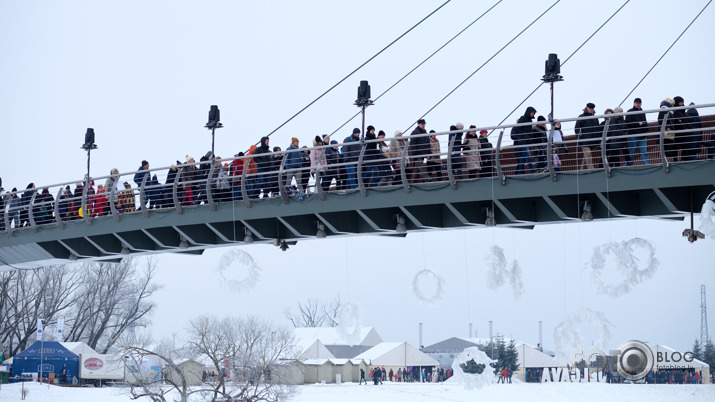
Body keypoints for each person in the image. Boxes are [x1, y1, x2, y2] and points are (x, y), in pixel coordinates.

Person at [574, 102, 600, 170]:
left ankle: (581, 171)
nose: (591, 109)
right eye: (590, 108)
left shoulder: (595, 118)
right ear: (587, 108)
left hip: (592, 141)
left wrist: (597, 142)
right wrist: (580, 139)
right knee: (588, 154)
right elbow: (577, 129)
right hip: (584, 141)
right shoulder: (581, 117)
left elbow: (597, 130)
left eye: (592, 108)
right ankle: (591, 169)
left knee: (586, 157)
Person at [511, 107, 536, 174]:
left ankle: (519, 173)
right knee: (527, 158)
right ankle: (532, 172)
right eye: (532, 113)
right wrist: (522, 138)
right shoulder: (522, 120)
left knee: (521, 160)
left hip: (524, 143)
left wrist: (530, 140)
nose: (533, 114)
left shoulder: (529, 122)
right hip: (520, 144)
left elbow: (529, 133)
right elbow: (514, 135)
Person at [626, 97, 649, 165]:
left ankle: (646, 165)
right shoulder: (629, 112)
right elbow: (628, 123)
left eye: (639, 103)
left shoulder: (642, 112)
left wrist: (644, 127)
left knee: (644, 152)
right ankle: (628, 165)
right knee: (631, 152)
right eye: (637, 103)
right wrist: (638, 123)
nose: (638, 104)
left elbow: (645, 122)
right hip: (634, 135)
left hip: (642, 135)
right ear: (634, 103)